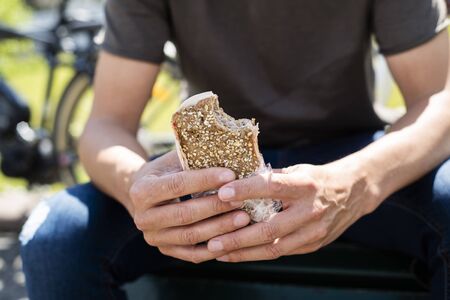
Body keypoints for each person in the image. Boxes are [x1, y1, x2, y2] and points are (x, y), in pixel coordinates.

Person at [19, 0, 450, 299]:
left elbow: (438, 104)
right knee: (58, 236)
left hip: (346, 157)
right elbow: (106, 125)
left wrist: (357, 181)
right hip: (213, 176)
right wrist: (138, 185)